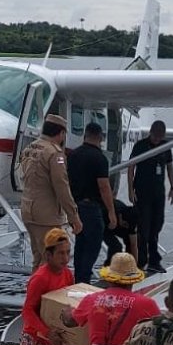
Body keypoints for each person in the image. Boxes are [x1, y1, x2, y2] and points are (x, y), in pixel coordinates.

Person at [20, 228, 74, 345]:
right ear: (48, 255)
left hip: (53, 341)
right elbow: (27, 311)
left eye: (68, 252)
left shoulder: (67, 274)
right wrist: (45, 331)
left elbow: (68, 303)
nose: (65, 258)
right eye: (60, 253)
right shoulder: (40, 278)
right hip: (36, 341)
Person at [20, 113, 82, 271]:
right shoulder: (54, 153)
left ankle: (34, 292)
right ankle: (45, 294)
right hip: (46, 216)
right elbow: (61, 186)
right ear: (61, 133)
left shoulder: (30, 148)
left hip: (28, 210)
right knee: (51, 261)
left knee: (38, 258)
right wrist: (73, 216)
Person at [68, 122, 117, 284]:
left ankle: (78, 280)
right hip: (91, 207)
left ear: (85, 135)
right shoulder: (100, 158)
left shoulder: (72, 155)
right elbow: (104, 186)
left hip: (75, 207)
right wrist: (111, 211)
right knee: (93, 245)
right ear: (100, 137)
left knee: (80, 244)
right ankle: (84, 280)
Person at [127, 120, 173, 273]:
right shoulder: (140, 146)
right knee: (143, 227)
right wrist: (130, 190)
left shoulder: (165, 146)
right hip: (142, 192)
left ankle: (154, 260)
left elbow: (169, 166)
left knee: (157, 225)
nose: (156, 140)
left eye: (159, 137)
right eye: (155, 137)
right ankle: (141, 261)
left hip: (158, 192)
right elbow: (131, 167)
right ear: (151, 133)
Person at [102, 199, 138, 266]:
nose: (126, 226)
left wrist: (135, 266)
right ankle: (108, 265)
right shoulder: (116, 207)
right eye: (125, 224)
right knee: (116, 246)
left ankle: (128, 263)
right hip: (103, 223)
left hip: (116, 226)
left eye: (127, 225)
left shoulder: (132, 221)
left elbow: (133, 244)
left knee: (129, 240)